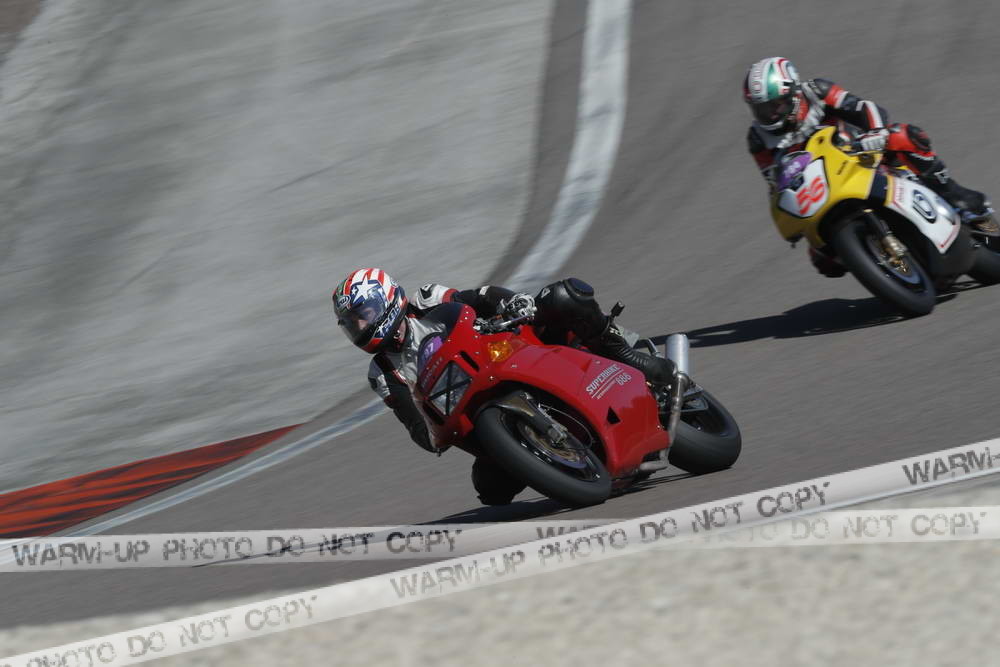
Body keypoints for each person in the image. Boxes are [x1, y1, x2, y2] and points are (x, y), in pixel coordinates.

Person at [332, 268, 675, 505]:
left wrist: (510, 302)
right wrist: (432, 435)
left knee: (563, 296)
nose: (359, 326)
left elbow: (479, 297)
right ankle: (563, 458)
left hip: (506, 349)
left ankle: (626, 355)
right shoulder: (381, 374)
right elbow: (414, 425)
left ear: (387, 299)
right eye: (351, 324)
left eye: (363, 314)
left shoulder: (426, 299)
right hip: (468, 406)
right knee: (491, 489)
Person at [742, 56, 998, 278]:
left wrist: (875, 132)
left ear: (793, 94)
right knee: (823, 262)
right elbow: (775, 181)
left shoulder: (817, 91)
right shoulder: (758, 139)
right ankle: (883, 262)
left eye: (775, 105)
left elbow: (863, 107)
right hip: (822, 186)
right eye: (761, 109)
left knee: (904, 136)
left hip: (861, 154)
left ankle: (953, 193)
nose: (770, 114)